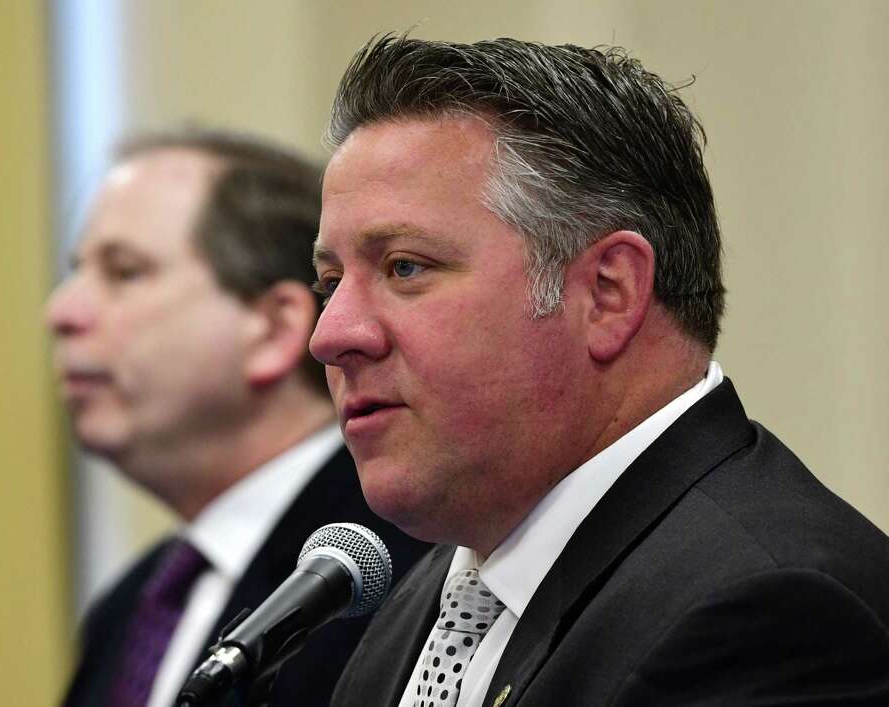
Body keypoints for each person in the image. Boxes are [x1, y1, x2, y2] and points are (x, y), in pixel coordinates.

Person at [308, 35, 889, 706]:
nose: (331, 334)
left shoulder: (774, 612)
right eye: (328, 281)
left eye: (404, 266)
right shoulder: (426, 603)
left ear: (607, 294)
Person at [46, 129, 430, 707]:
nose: (63, 311)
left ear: (274, 329)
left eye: (124, 272)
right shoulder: (126, 609)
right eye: (76, 272)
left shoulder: (401, 567)